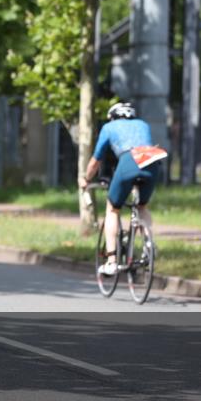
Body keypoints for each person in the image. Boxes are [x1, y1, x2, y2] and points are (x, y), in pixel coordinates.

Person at [79, 102, 168, 275]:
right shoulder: (143, 124)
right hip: (152, 159)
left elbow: (96, 161)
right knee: (142, 206)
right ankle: (149, 243)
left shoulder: (108, 127)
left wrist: (86, 179)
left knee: (112, 209)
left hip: (129, 160)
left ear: (113, 116)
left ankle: (112, 261)